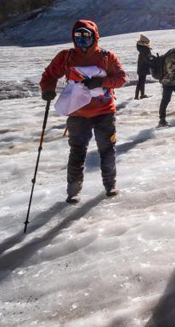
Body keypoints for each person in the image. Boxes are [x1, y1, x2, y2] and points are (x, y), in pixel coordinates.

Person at [40, 20, 127, 203]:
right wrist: (48, 89)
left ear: (94, 37)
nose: (81, 40)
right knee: (78, 151)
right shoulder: (66, 57)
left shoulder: (107, 56)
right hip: (78, 113)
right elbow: (49, 75)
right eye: (78, 36)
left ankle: (110, 185)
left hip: (103, 112)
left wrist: (102, 82)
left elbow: (121, 78)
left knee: (107, 150)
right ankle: (73, 192)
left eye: (85, 36)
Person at [135, 34, 152, 100]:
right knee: (141, 81)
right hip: (144, 66)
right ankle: (139, 95)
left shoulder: (140, 48)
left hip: (140, 66)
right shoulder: (145, 49)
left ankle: (139, 95)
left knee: (141, 80)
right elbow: (147, 58)